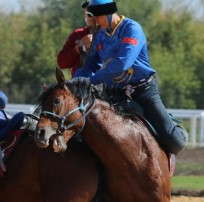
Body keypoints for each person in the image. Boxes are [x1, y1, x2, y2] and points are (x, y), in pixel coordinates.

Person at [78, 0, 188, 155]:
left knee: (175, 142)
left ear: (108, 13)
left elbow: (122, 63)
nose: (94, 23)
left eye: (96, 17)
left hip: (143, 91)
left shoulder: (132, 29)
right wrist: (75, 82)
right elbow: (89, 65)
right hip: (114, 94)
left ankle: (172, 126)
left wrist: (91, 80)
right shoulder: (99, 35)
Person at [57, 1, 96, 77]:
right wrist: (79, 47)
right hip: (78, 84)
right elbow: (61, 62)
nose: (90, 15)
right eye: (87, 12)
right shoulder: (77, 34)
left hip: (103, 83)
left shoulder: (111, 34)